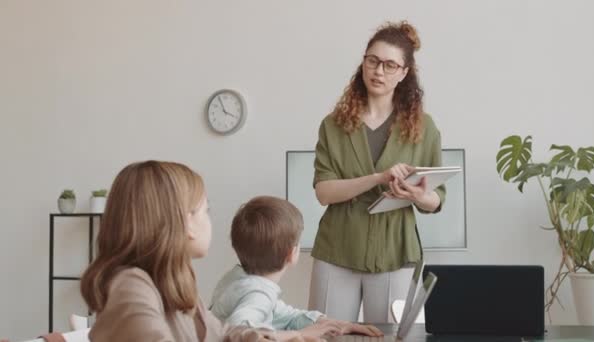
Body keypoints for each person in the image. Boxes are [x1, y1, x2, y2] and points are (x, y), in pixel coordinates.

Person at [308, 21, 446, 323]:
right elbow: (323, 191)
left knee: (392, 336)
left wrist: (420, 195)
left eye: (390, 64)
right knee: (327, 334)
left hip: (395, 251)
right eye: (372, 60)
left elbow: (436, 201)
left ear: (404, 72)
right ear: (363, 62)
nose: (378, 71)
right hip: (337, 248)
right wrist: (378, 178)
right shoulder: (333, 125)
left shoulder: (425, 128)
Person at [80, 161, 275, 342]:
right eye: (206, 210)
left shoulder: (171, 284)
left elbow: (222, 333)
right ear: (186, 222)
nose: (209, 220)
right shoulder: (131, 286)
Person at [210, 196, 383, 340]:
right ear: (291, 254)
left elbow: (285, 315)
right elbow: (240, 334)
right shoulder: (257, 294)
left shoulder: (242, 281)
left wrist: (330, 323)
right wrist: (299, 335)